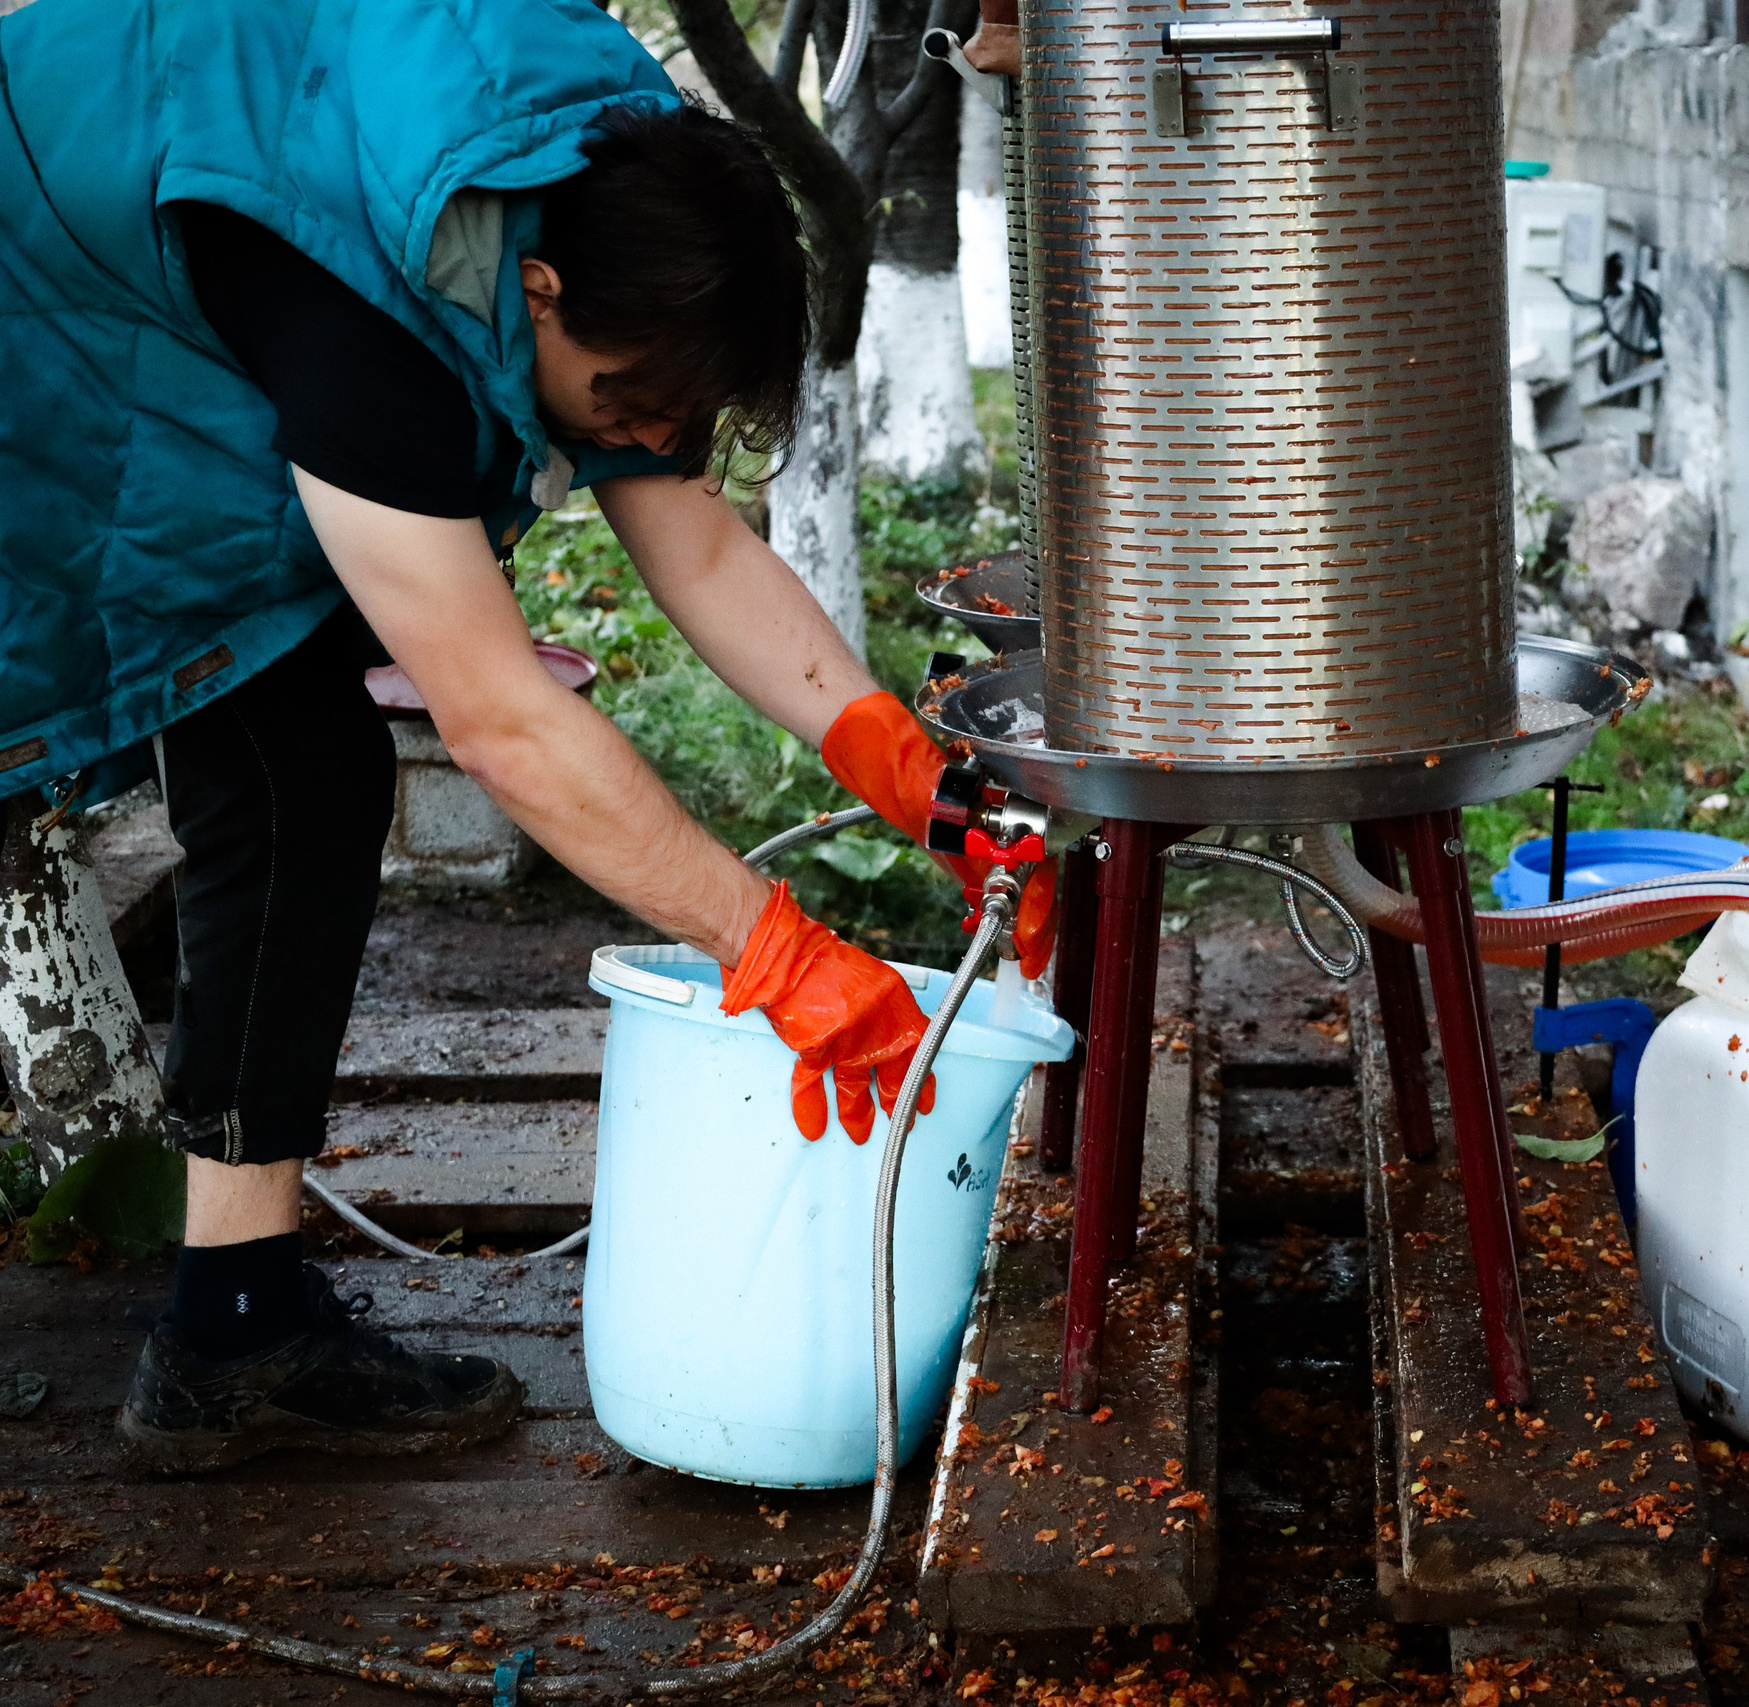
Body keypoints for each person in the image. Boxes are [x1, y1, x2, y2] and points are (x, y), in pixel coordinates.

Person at [0, 0, 1047, 1473]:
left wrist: (905, 764)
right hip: (48, 296)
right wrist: (782, 955)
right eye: (622, 396)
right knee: (299, 776)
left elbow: (685, 524)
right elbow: (501, 725)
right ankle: (232, 1328)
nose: (639, 429)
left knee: (302, 780)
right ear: (538, 293)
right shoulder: (372, 333)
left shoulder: (614, 181)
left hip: (170, 249)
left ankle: (231, 1324)